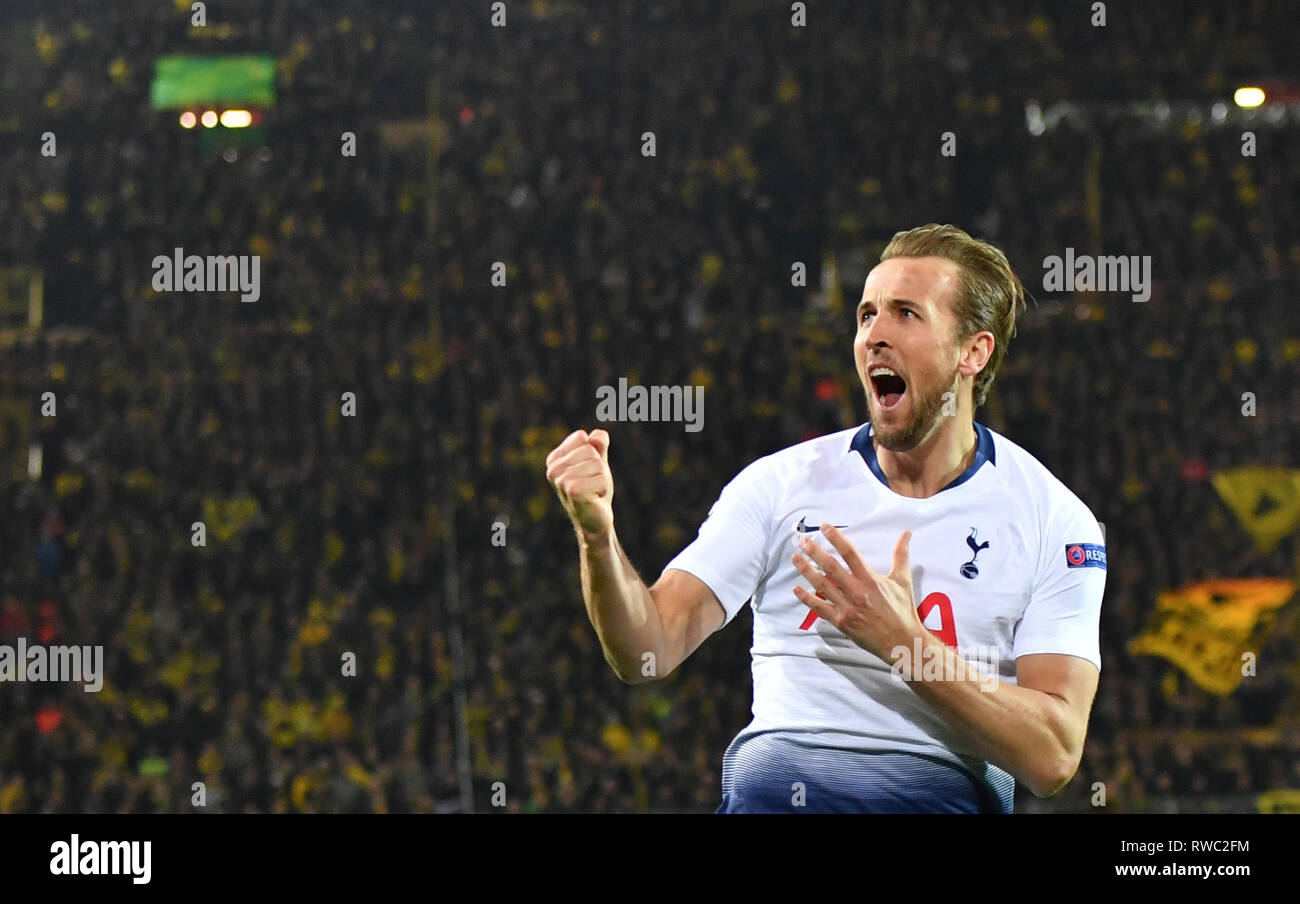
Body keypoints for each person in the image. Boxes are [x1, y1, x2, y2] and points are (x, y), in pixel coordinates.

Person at [544, 223, 1105, 813]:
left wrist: (904, 643)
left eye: (906, 314)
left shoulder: (1054, 520)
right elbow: (647, 650)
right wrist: (598, 539)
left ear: (973, 352)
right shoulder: (779, 484)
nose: (874, 336)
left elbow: (1053, 757)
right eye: (867, 315)